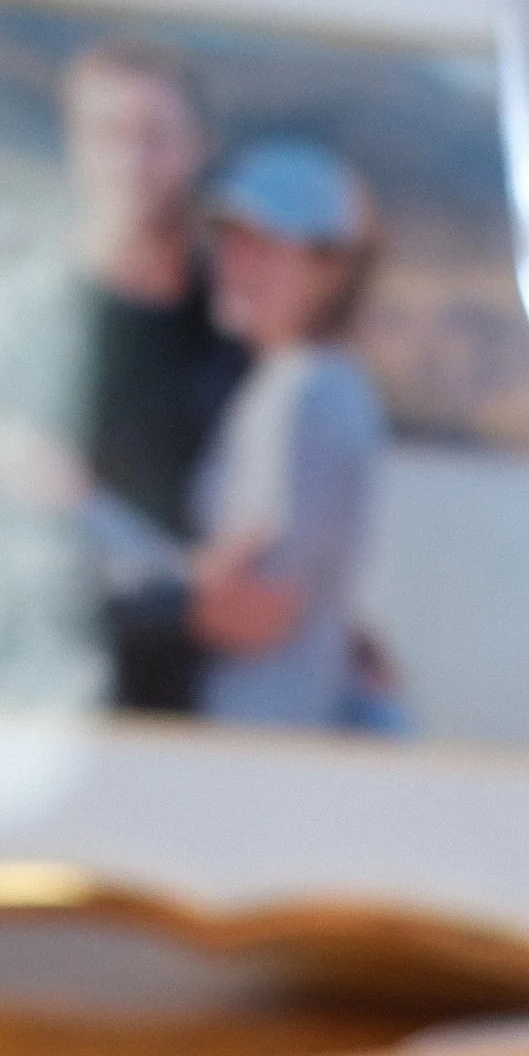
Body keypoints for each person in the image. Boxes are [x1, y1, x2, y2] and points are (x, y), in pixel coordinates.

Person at [0, 39, 246, 710]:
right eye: (109, 134)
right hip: (43, 699)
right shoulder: (12, 320)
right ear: (74, 145)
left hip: (202, 710)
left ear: (199, 147)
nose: (132, 161)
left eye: (156, 136)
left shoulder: (232, 333)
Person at [174, 139, 396, 729]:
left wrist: (82, 513)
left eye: (265, 247)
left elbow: (260, 611)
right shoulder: (294, 383)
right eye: (228, 241)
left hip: (260, 733)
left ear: (331, 270)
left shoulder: (307, 392)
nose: (234, 264)